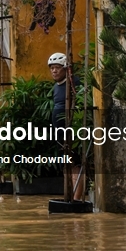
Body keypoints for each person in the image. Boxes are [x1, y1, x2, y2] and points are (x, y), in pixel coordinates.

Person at [48, 52, 83, 200]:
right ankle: (68, 196)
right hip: (60, 134)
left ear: (66, 68)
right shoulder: (57, 87)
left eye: (57, 68)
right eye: (52, 68)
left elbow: (81, 106)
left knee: (75, 165)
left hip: (73, 133)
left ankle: (76, 198)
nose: (54, 71)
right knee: (65, 164)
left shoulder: (75, 84)